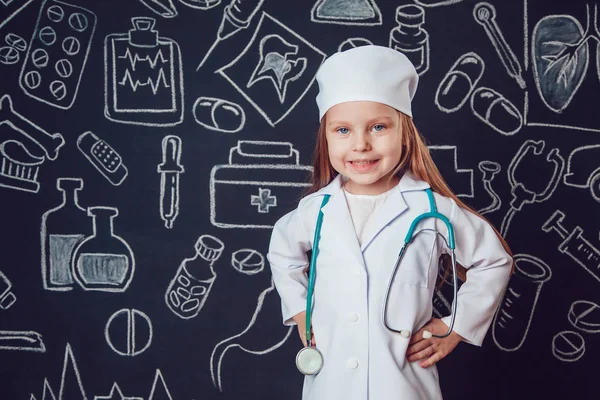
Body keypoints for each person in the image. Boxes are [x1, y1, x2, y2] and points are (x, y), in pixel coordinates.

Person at [267, 45, 513, 400]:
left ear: (404, 132)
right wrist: (300, 309)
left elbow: (494, 261)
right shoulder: (314, 211)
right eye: (343, 130)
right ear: (326, 136)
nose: (361, 144)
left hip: (403, 386)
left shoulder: (432, 208)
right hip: (331, 385)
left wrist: (455, 326)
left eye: (378, 127)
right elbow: (282, 252)